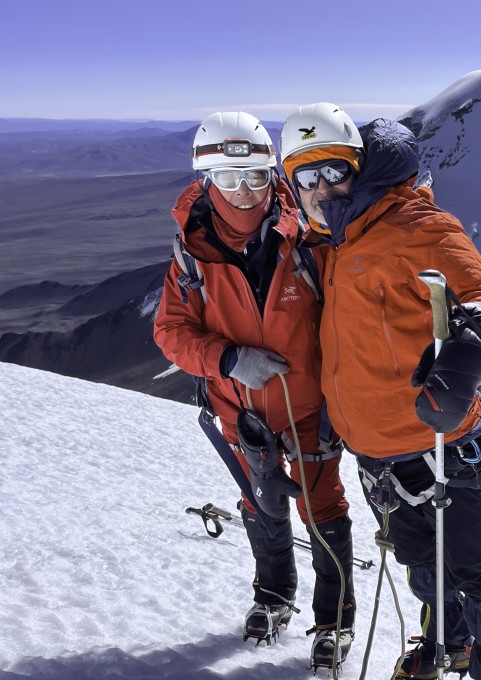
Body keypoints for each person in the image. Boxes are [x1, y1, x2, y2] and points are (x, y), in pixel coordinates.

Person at [279, 103, 481, 680]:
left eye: (331, 171)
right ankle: (447, 644)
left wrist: (468, 349)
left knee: (477, 577)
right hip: (375, 451)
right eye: (304, 178)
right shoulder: (330, 241)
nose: (319, 188)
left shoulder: (419, 226)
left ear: (358, 171)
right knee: (421, 566)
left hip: (436, 442)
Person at [153, 111, 355, 669]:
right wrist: (228, 359)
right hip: (240, 410)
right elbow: (170, 331)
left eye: (256, 178)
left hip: (311, 407)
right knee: (260, 498)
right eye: (226, 179)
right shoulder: (191, 253)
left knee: (321, 506)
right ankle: (274, 594)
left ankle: (334, 619)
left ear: (274, 176)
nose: (243, 193)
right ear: (205, 180)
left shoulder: (310, 236)